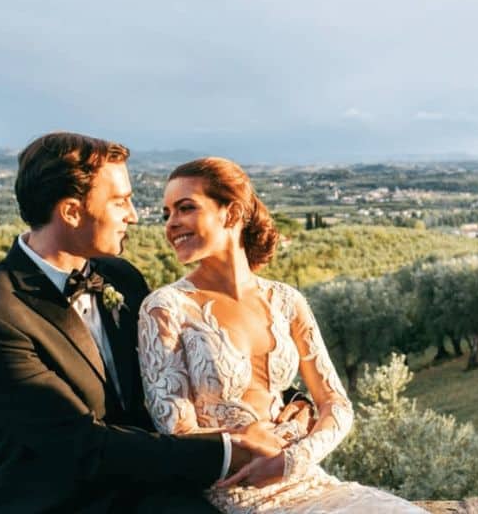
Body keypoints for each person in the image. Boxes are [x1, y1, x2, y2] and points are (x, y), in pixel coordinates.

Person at [0, 132, 301, 513]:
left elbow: (184, 365)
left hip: (152, 490)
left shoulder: (120, 277)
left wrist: (288, 401)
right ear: (71, 211)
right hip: (64, 503)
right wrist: (234, 449)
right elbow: (84, 447)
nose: (132, 215)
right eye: (120, 202)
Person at [138, 157, 425, 512]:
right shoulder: (165, 308)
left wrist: (292, 460)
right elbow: (175, 434)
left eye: (185, 208)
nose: (171, 224)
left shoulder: (287, 301)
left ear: (231, 213)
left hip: (311, 481)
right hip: (236, 494)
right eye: (166, 213)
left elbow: (336, 403)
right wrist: (248, 443)